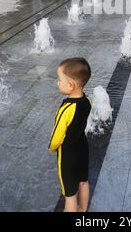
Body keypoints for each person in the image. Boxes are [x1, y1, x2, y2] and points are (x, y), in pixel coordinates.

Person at [49, 58, 92, 213]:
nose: (58, 83)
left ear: (71, 85)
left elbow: (57, 136)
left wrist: (52, 147)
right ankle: (83, 208)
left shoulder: (66, 108)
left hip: (67, 155)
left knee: (70, 193)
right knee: (83, 182)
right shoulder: (87, 100)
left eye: (60, 79)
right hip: (82, 148)